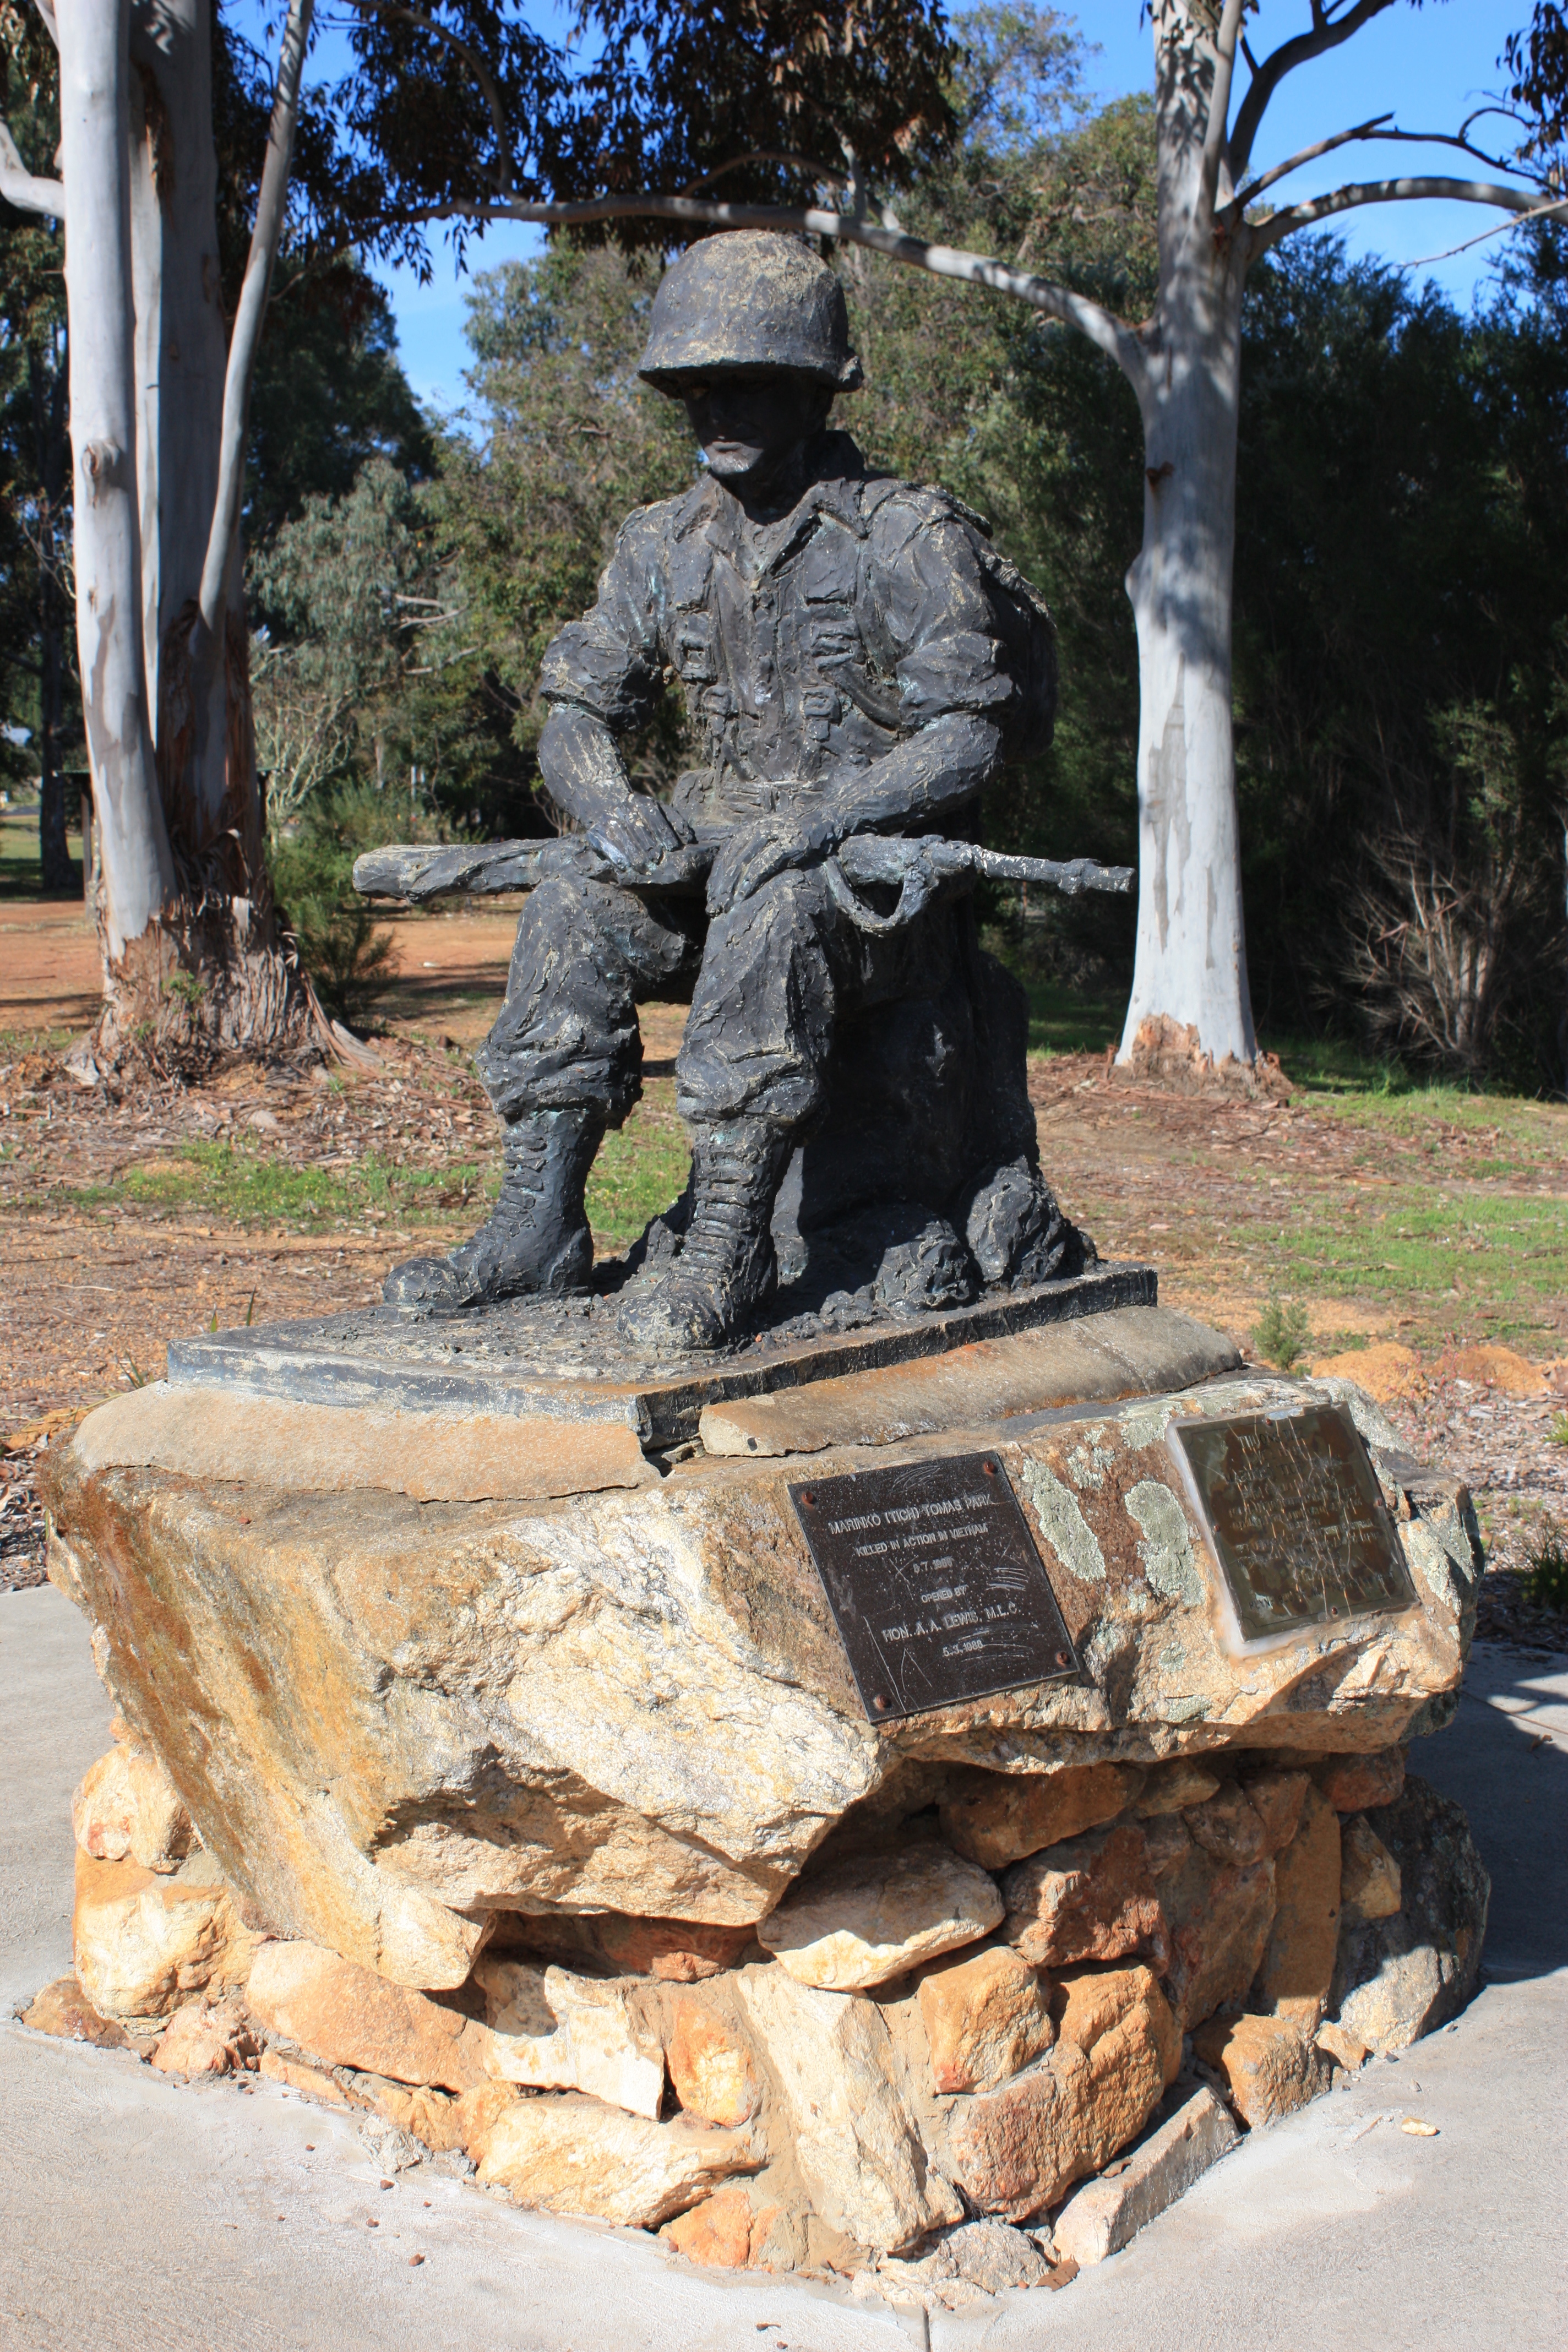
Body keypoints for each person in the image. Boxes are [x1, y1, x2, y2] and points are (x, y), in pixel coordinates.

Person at [385, 231, 1065, 1352]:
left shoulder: (905, 535)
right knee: (571, 912)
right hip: (706, 866)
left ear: (815, 386)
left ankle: (727, 1246)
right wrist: (610, 810)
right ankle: (535, 1225)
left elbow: (967, 738)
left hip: (873, 903)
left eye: (744, 381)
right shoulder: (659, 542)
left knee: (774, 909)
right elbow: (574, 709)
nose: (716, 409)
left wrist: (816, 823)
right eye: (695, 387)